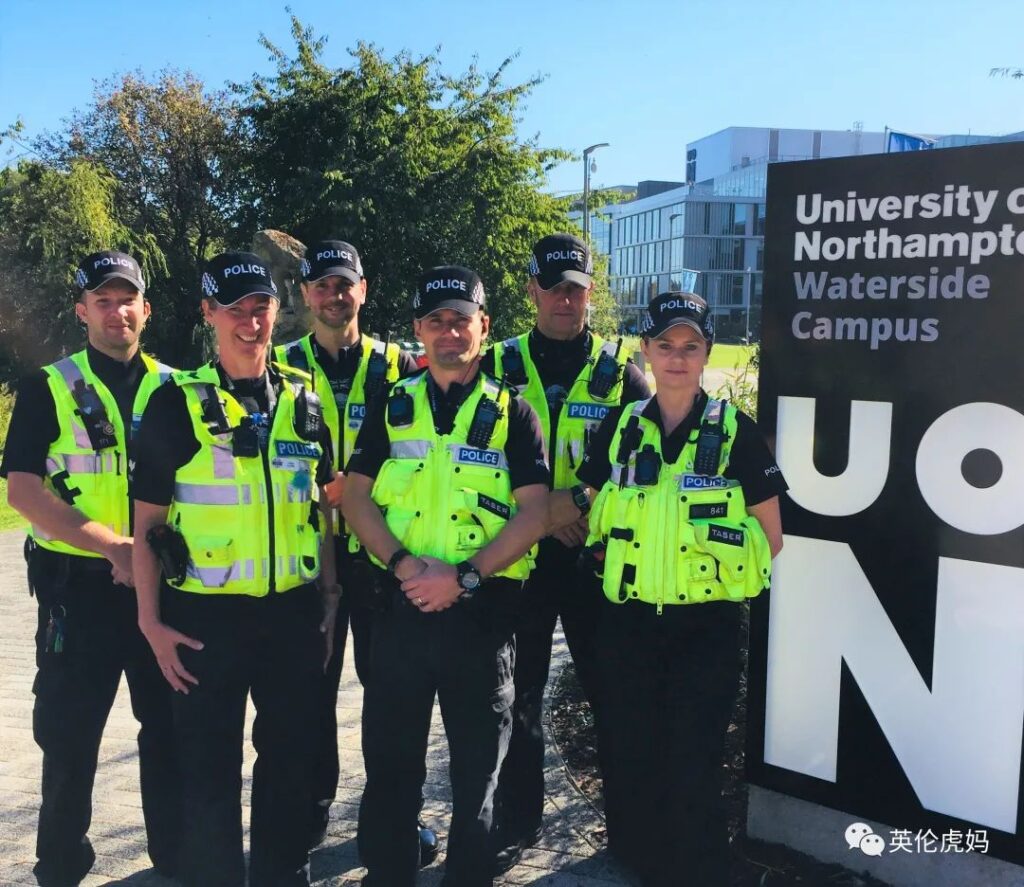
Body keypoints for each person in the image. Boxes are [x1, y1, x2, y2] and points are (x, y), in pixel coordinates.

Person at [131, 251, 338, 887]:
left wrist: (330, 598)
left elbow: (323, 510)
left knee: (290, 761)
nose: (250, 322)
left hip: (293, 613)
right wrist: (150, 624)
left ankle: (283, 875)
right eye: (234, 310)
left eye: (261, 307)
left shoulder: (305, 401)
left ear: (277, 310)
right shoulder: (175, 404)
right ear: (208, 314)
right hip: (205, 620)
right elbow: (147, 526)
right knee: (207, 769)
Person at [567, 292, 786, 887]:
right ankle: (641, 862)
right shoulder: (621, 427)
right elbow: (590, 510)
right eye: (665, 345)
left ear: (707, 353)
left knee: (693, 760)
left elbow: (770, 538)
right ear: (646, 351)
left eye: (691, 346)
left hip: (704, 629)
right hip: (629, 623)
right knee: (632, 751)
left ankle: (698, 871)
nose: (677, 358)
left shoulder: (734, 432)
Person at [342, 265, 550, 887]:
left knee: (477, 772)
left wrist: (463, 578)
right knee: (391, 764)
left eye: (461, 320)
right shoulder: (392, 405)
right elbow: (355, 498)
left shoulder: (513, 412)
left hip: (479, 619)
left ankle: (468, 875)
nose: (449, 332)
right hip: (400, 611)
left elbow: (535, 513)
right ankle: (390, 873)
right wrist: (405, 566)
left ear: (484, 326)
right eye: (436, 321)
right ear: (418, 329)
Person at [1, 250, 182, 886]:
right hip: (78, 593)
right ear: (81, 311)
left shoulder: (180, 388)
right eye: (102, 301)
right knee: (69, 739)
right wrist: (114, 548)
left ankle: (175, 860)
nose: (116, 312)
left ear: (146, 309)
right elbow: (22, 491)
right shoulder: (48, 387)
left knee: (169, 731)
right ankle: (60, 867)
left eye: (126, 299)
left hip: (162, 592)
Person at [484, 233, 650, 868]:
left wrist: (574, 510)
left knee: (613, 694)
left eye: (575, 290)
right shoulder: (497, 365)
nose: (564, 300)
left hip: (592, 561)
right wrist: (539, 520)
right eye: (553, 289)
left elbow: (644, 460)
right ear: (532, 290)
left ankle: (628, 830)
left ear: (590, 293)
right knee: (519, 694)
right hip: (520, 559)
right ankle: (518, 820)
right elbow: (475, 463)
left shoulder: (621, 372)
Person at [271, 239, 431, 858]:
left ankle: (393, 824)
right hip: (308, 561)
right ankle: (308, 821)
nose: (334, 296)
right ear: (304, 294)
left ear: (363, 290)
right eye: (322, 285)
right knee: (308, 698)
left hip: (382, 560)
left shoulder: (399, 365)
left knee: (393, 700)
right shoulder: (279, 367)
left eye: (345, 284)